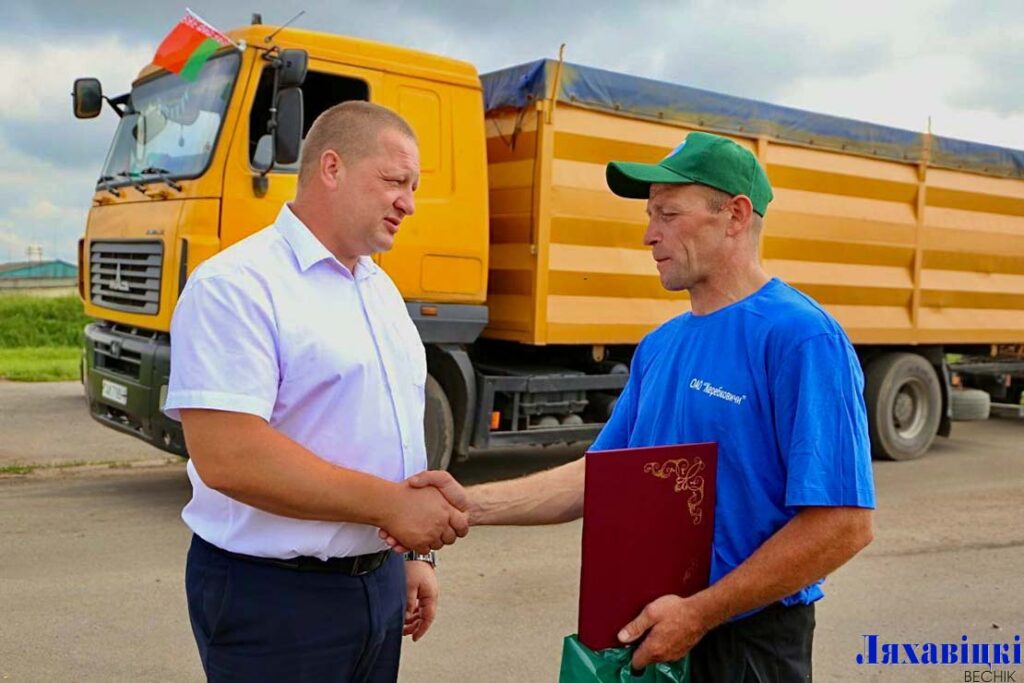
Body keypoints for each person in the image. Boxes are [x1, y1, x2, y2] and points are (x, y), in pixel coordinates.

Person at [389, 131, 876, 681]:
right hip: (653, 629)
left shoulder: (801, 337)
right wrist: (466, 505)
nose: (649, 235)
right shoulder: (660, 346)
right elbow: (599, 479)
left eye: (669, 214)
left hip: (746, 645)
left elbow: (844, 524)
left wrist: (700, 613)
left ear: (735, 216)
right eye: (650, 216)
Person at [164, 101, 468, 683]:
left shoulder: (378, 288)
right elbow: (230, 456)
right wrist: (391, 508)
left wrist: (411, 554)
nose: (408, 202)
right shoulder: (236, 286)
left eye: (414, 187)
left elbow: (396, 430)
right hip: (275, 596)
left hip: (377, 582)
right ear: (332, 167)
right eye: (395, 181)